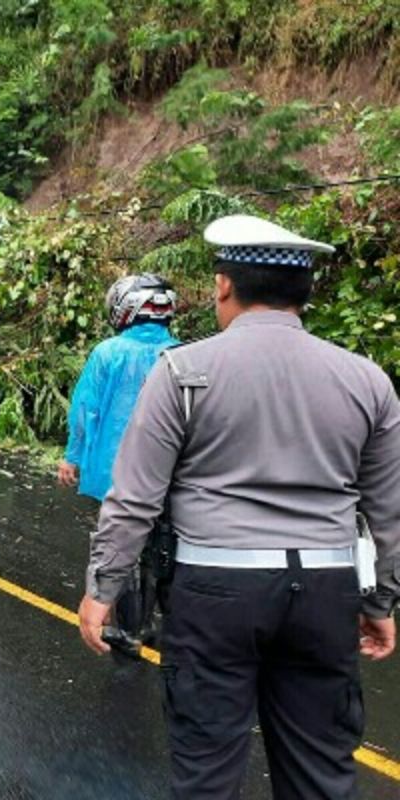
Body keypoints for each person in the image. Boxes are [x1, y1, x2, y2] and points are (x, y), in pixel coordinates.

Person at [79, 214, 399, 799]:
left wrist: (103, 589)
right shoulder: (367, 380)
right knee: (321, 774)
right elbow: (388, 509)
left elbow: (135, 499)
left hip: (215, 593)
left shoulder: (182, 373)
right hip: (326, 589)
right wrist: (380, 599)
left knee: (208, 773)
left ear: (224, 286)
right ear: (304, 292)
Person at [58, 274, 179, 501]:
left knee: (114, 531)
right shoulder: (184, 354)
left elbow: (85, 410)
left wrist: (72, 457)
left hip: (113, 471)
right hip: (166, 475)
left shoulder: (107, 353)